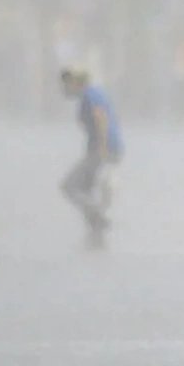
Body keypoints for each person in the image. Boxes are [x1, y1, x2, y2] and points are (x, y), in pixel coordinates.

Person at [59, 67, 123, 250]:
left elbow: (100, 117)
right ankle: (95, 228)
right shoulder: (91, 94)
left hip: (104, 150)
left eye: (66, 84)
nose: (64, 89)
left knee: (69, 186)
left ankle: (97, 217)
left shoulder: (90, 94)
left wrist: (102, 148)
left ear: (75, 82)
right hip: (105, 148)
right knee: (87, 188)